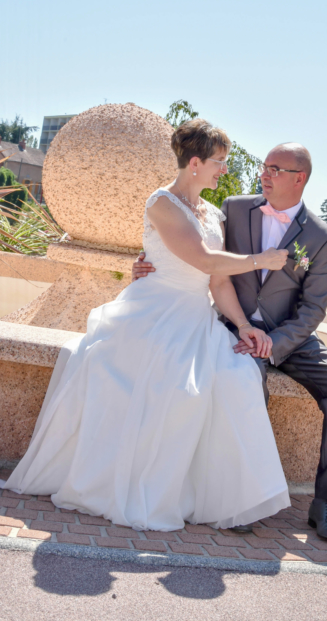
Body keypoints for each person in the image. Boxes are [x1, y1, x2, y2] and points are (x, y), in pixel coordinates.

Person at [0, 119, 291, 532]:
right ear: (194, 162)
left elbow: (217, 280)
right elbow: (204, 260)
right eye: (218, 161)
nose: (223, 169)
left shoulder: (212, 213)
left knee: (237, 376)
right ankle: (135, 488)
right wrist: (262, 259)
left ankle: (220, 498)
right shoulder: (161, 203)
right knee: (172, 389)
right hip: (153, 313)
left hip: (195, 316)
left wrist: (243, 325)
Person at [133, 141, 327, 543]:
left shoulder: (322, 237)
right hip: (233, 328)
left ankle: (323, 504)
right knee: (244, 381)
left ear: (300, 178)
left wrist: (273, 343)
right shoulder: (235, 209)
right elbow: (193, 245)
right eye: (265, 166)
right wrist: (145, 261)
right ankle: (236, 500)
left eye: (276, 169)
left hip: (290, 335)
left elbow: (313, 309)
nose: (265, 174)